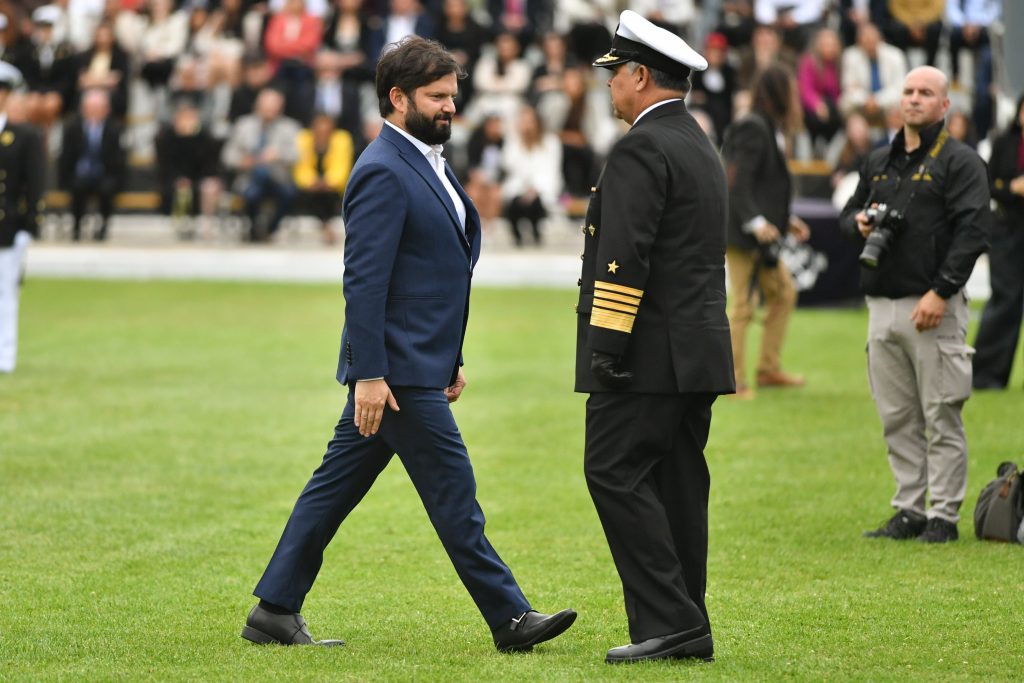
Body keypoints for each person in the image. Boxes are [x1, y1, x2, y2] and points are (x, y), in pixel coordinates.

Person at [242, 36, 576, 652]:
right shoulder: (382, 168)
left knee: (332, 491)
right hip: (396, 375)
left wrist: (451, 359)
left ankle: (274, 610)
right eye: (437, 96)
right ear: (398, 98)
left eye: (453, 95)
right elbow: (364, 283)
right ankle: (510, 618)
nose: (451, 106)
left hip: (418, 364)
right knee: (454, 493)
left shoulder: (427, 159)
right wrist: (370, 373)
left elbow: (433, 274)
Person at [577, 11, 734, 664]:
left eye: (615, 74)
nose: (609, 85)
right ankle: (685, 620)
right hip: (696, 349)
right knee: (677, 483)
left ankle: (671, 621)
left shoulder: (643, 146)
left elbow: (625, 255)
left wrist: (607, 345)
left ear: (640, 76)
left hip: (647, 353)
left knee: (612, 469)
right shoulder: (695, 140)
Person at [839, 66, 990, 543]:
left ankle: (943, 514)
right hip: (881, 305)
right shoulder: (878, 159)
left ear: (945, 105)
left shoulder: (961, 162)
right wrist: (859, 223)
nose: (914, 99)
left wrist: (941, 291)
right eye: (908, 91)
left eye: (926, 92)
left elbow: (973, 232)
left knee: (941, 412)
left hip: (933, 306)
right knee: (897, 416)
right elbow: (847, 214)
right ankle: (909, 509)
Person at [721, 65, 811, 399]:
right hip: (743, 234)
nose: (795, 96)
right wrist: (757, 223)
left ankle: (768, 369)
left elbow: (763, 185)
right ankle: (732, 380)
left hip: (762, 234)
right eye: (791, 89)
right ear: (777, 93)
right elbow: (737, 183)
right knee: (743, 306)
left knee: (784, 294)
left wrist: (786, 220)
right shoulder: (752, 127)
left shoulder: (768, 127)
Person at [972, 93, 1024, 390]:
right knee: (1005, 299)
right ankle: (986, 376)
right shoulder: (1005, 142)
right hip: (1007, 227)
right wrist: (1012, 187)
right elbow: (988, 184)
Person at [0, 63, 44, 375]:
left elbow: (35, 182)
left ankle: (5, 354)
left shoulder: (23, 136)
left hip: (7, 226)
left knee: (5, 292)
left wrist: (30, 224)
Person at [221, 88, 300, 241]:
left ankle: (270, 228)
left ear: (280, 107)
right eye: (266, 107)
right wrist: (243, 161)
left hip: (279, 179)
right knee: (253, 188)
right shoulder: (243, 125)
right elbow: (227, 155)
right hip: (249, 178)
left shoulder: (290, 127)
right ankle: (253, 228)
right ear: (257, 106)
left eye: (273, 107)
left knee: (288, 193)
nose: (269, 111)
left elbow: (297, 155)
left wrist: (278, 155)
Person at [58, 88, 124, 241]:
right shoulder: (72, 128)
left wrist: (116, 179)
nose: (94, 112)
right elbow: (65, 158)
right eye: (91, 108)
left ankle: (103, 228)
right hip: (80, 174)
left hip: (103, 174)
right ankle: (76, 227)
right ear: (83, 109)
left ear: (106, 110)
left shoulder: (114, 129)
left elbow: (119, 160)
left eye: (98, 108)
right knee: (77, 187)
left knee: (107, 189)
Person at [292, 112, 353, 244]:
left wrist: (328, 182)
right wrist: (312, 182)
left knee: (326, 196)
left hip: (333, 188)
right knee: (315, 196)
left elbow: (341, 166)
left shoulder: (342, 139)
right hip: (309, 187)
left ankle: (325, 226)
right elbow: (301, 167)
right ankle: (326, 227)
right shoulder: (304, 138)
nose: (323, 131)